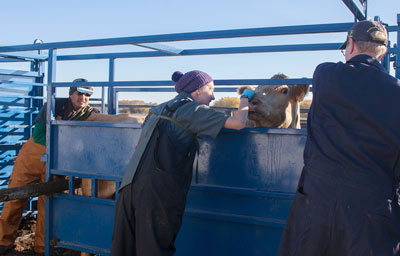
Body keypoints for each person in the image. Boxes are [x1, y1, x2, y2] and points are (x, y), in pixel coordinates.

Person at [277, 20, 400, 255]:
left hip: (317, 205)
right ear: (383, 53)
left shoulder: (325, 75)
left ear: (351, 44)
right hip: (372, 214)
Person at [110, 70, 255, 256]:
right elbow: (238, 123)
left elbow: (139, 144)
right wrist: (245, 97)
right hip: (157, 193)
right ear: (197, 91)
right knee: (154, 249)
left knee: (124, 248)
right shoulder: (193, 110)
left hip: (128, 186)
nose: (213, 95)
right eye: (210, 89)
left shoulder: (158, 109)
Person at [0, 78, 138, 255]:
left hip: (56, 162)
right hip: (33, 158)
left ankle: (42, 247)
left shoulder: (88, 113)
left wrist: (135, 121)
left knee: (48, 204)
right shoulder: (54, 105)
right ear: (71, 93)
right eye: (79, 93)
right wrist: (64, 140)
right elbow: (40, 134)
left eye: (87, 94)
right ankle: (3, 241)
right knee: (15, 198)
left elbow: (108, 120)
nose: (83, 97)